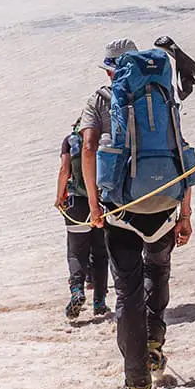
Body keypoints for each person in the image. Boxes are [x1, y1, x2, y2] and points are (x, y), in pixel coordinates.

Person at [81, 38, 195, 389]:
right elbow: (180, 147)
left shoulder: (100, 99)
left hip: (122, 209)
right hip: (165, 203)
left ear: (111, 68)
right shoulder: (161, 92)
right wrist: (185, 213)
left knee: (127, 292)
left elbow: (88, 149)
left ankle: (138, 384)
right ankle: (154, 341)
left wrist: (95, 206)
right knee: (158, 269)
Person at [57, 120, 111, 320]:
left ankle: (77, 290)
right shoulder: (102, 139)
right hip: (99, 203)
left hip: (76, 204)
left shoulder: (69, 142)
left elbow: (64, 169)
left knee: (76, 251)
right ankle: (100, 302)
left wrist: (58, 196)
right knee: (100, 253)